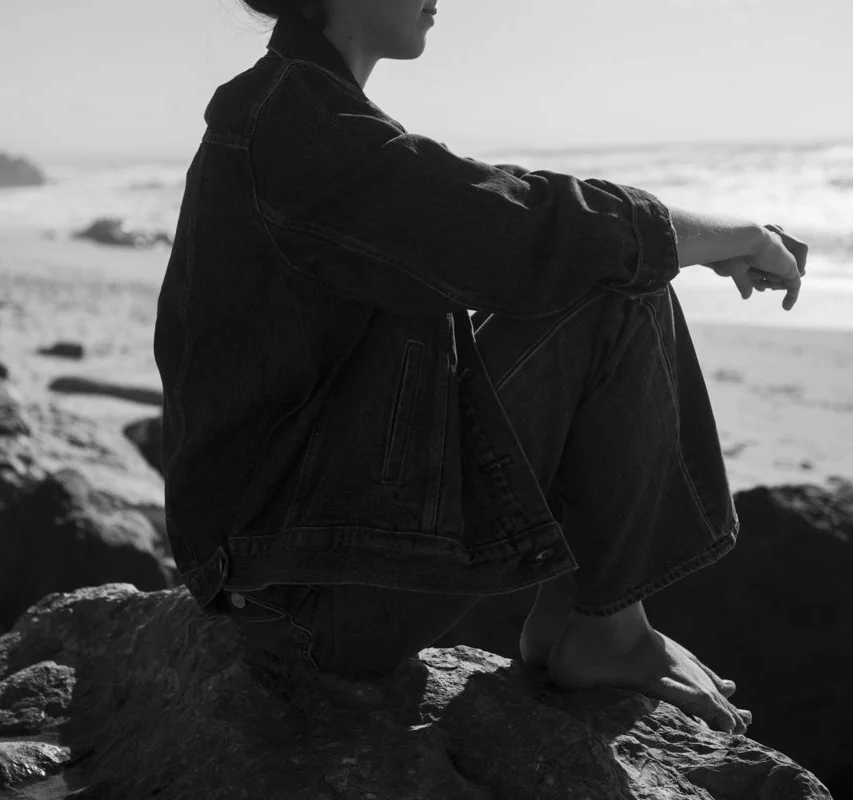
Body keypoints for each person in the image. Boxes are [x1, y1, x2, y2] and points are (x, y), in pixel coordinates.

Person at [153, 0, 807, 737]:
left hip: (292, 562)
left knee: (597, 267)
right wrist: (736, 236)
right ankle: (608, 630)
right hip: (308, 597)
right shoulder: (299, 126)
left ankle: (580, 615)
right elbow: (520, 228)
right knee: (616, 284)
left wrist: (702, 242)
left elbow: (492, 213)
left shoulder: (294, 108)